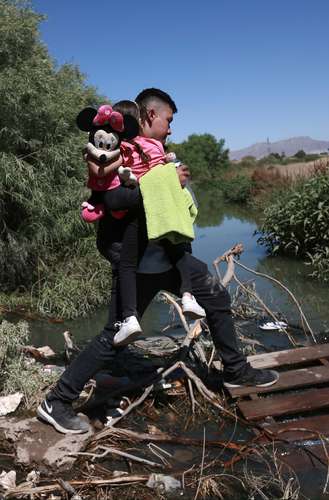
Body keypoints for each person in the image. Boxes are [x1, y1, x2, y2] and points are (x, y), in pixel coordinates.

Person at [37, 88, 279, 434]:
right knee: (114, 335)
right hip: (137, 266)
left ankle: (236, 369)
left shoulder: (153, 154)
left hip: (168, 258)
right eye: (168, 120)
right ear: (151, 116)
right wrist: (166, 178)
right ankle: (57, 401)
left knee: (215, 296)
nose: (170, 128)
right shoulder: (118, 151)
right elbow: (117, 196)